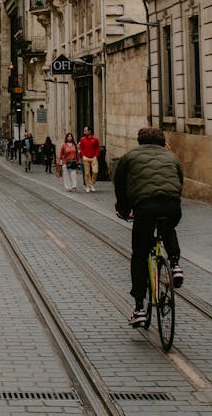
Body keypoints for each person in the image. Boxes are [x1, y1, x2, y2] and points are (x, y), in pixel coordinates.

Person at [114, 126, 185, 327]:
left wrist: (124, 210)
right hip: (172, 207)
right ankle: (175, 264)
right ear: (162, 141)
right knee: (167, 227)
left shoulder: (128, 157)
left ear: (139, 141)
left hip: (144, 209)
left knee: (139, 254)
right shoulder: (171, 156)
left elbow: (120, 187)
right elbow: (179, 180)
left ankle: (139, 308)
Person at [79, 126, 101, 193]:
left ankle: (92, 183)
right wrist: (83, 155)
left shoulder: (95, 139)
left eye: (85, 130)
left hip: (93, 157)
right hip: (86, 157)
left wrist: (96, 155)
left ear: (89, 131)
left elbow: (97, 147)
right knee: (87, 173)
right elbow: (81, 148)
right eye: (84, 130)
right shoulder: (82, 139)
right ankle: (88, 186)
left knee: (95, 171)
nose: (84, 132)